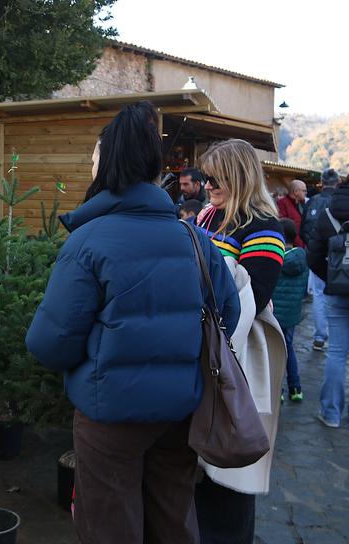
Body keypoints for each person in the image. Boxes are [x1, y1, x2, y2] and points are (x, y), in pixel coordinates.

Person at [26, 101, 240, 544]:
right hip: (182, 412)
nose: (90, 163)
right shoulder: (194, 239)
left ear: (110, 164)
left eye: (94, 155)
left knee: (110, 526)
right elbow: (228, 315)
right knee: (173, 520)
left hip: (110, 416)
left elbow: (49, 342)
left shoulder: (88, 241)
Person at [195, 138, 286, 544]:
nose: (207, 183)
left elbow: (252, 298)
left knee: (229, 465)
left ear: (240, 175)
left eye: (217, 176)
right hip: (204, 351)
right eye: (206, 175)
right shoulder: (209, 215)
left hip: (236, 359)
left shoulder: (265, 226)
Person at [306, 174, 349, 428]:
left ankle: (331, 414)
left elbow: (313, 257)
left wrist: (332, 279)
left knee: (336, 353)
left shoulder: (328, 213)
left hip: (338, 292)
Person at [302, 168, 342, 352]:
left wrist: (311, 246)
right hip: (339, 259)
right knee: (336, 298)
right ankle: (337, 338)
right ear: (337, 182)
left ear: (321, 181)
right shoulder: (340, 202)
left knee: (318, 295)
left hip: (316, 255)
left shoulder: (314, 202)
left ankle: (319, 336)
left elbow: (303, 227)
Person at [271, 218, 308, 402]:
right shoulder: (302, 257)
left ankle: (278, 390)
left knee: (275, 352)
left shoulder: (275, 258)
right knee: (289, 349)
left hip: (276, 314)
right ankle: (296, 388)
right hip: (292, 314)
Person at [276, 179, 307, 248]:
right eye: (304, 190)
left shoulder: (303, 204)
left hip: (304, 245)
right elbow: (285, 227)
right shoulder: (282, 204)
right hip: (291, 247)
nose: (306, 193)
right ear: (295, 192)